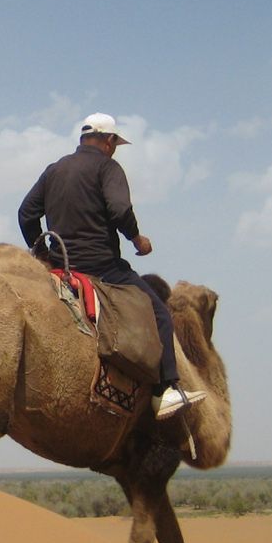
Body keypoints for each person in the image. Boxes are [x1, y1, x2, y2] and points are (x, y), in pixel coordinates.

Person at [17, 113, 205, 419]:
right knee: (159, 314)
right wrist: (137, 239)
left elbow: (26, 213)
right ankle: (165, 392)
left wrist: (44, 254)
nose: (115, 148)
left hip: (61, 267)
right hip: (102, 266)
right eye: (115, 143)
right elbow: (119, 209)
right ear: (108, 141)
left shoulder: (54, 170)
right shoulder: (108, 166)